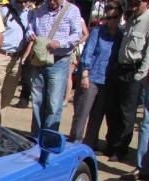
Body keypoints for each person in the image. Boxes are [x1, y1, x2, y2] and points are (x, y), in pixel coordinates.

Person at [101, 0, 149, 162]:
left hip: (134, 71)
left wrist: (140, 74)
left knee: (126, 113)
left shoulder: (148, 21)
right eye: (130, 3)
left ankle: (120, 148)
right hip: (120, 68)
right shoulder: (130, 20)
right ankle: (111, 143)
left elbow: (148, 52)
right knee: (112, 108)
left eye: (136, 3)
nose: (133, 6)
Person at [68, 2, 122, 147]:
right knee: (81, 114)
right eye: (108, 17)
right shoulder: (97, 32)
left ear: (120, 17)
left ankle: (90, 145)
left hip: (107, 82)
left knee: (97, 117)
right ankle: (75, 143)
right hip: (91, 78)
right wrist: (84, 75)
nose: (111, 20)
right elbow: (87, 54)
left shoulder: (120, 36)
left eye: (115, 17)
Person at [25, 0, 82, 134]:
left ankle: (48, 138)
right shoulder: (39, 10)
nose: (51, 2)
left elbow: (77, 34)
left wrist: (60, 43)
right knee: (37, 101)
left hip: (59, 61)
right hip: (39, 61)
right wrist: (30, 34)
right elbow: (30, 27)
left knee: (54, 104)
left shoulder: (72, 10)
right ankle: (36, 136)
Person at [0, 0, 33, 124]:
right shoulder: (4, 11)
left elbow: (29, 32)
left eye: (25, 1)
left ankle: (0, 126)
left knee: (8, 94)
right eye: (20, 1)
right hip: (1, 55)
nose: (23, 4)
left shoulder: (29, 14)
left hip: (17, 58)